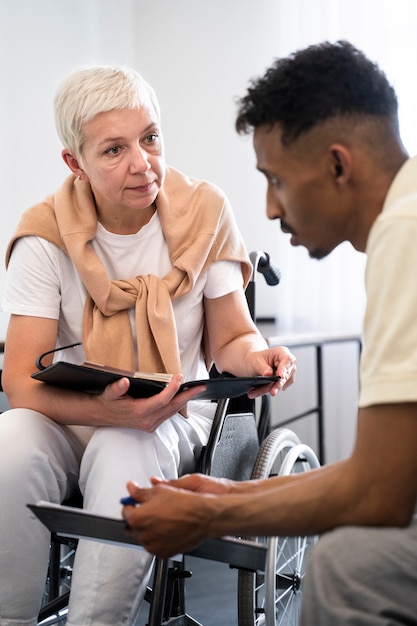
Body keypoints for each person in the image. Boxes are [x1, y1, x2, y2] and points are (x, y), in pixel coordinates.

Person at [122, 41, 417, 625]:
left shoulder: (405, 237)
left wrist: (211, 518)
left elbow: (379, 492)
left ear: (339, 164)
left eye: (275, 178)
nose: (271, 208)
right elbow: (383, 468)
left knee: (347, 566)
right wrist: (225, 495)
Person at [0, 65, 296, 626]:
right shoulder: (42, 236)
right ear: (75, 163)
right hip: (69, 415)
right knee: (9, 437)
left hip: (173, 416)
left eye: (150, 138)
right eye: (113, 149)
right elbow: (19, 381)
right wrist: (99, 408)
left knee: (123, 448)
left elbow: (232, 335)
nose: (142, 162)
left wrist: (257, 356)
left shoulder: (205, 214)